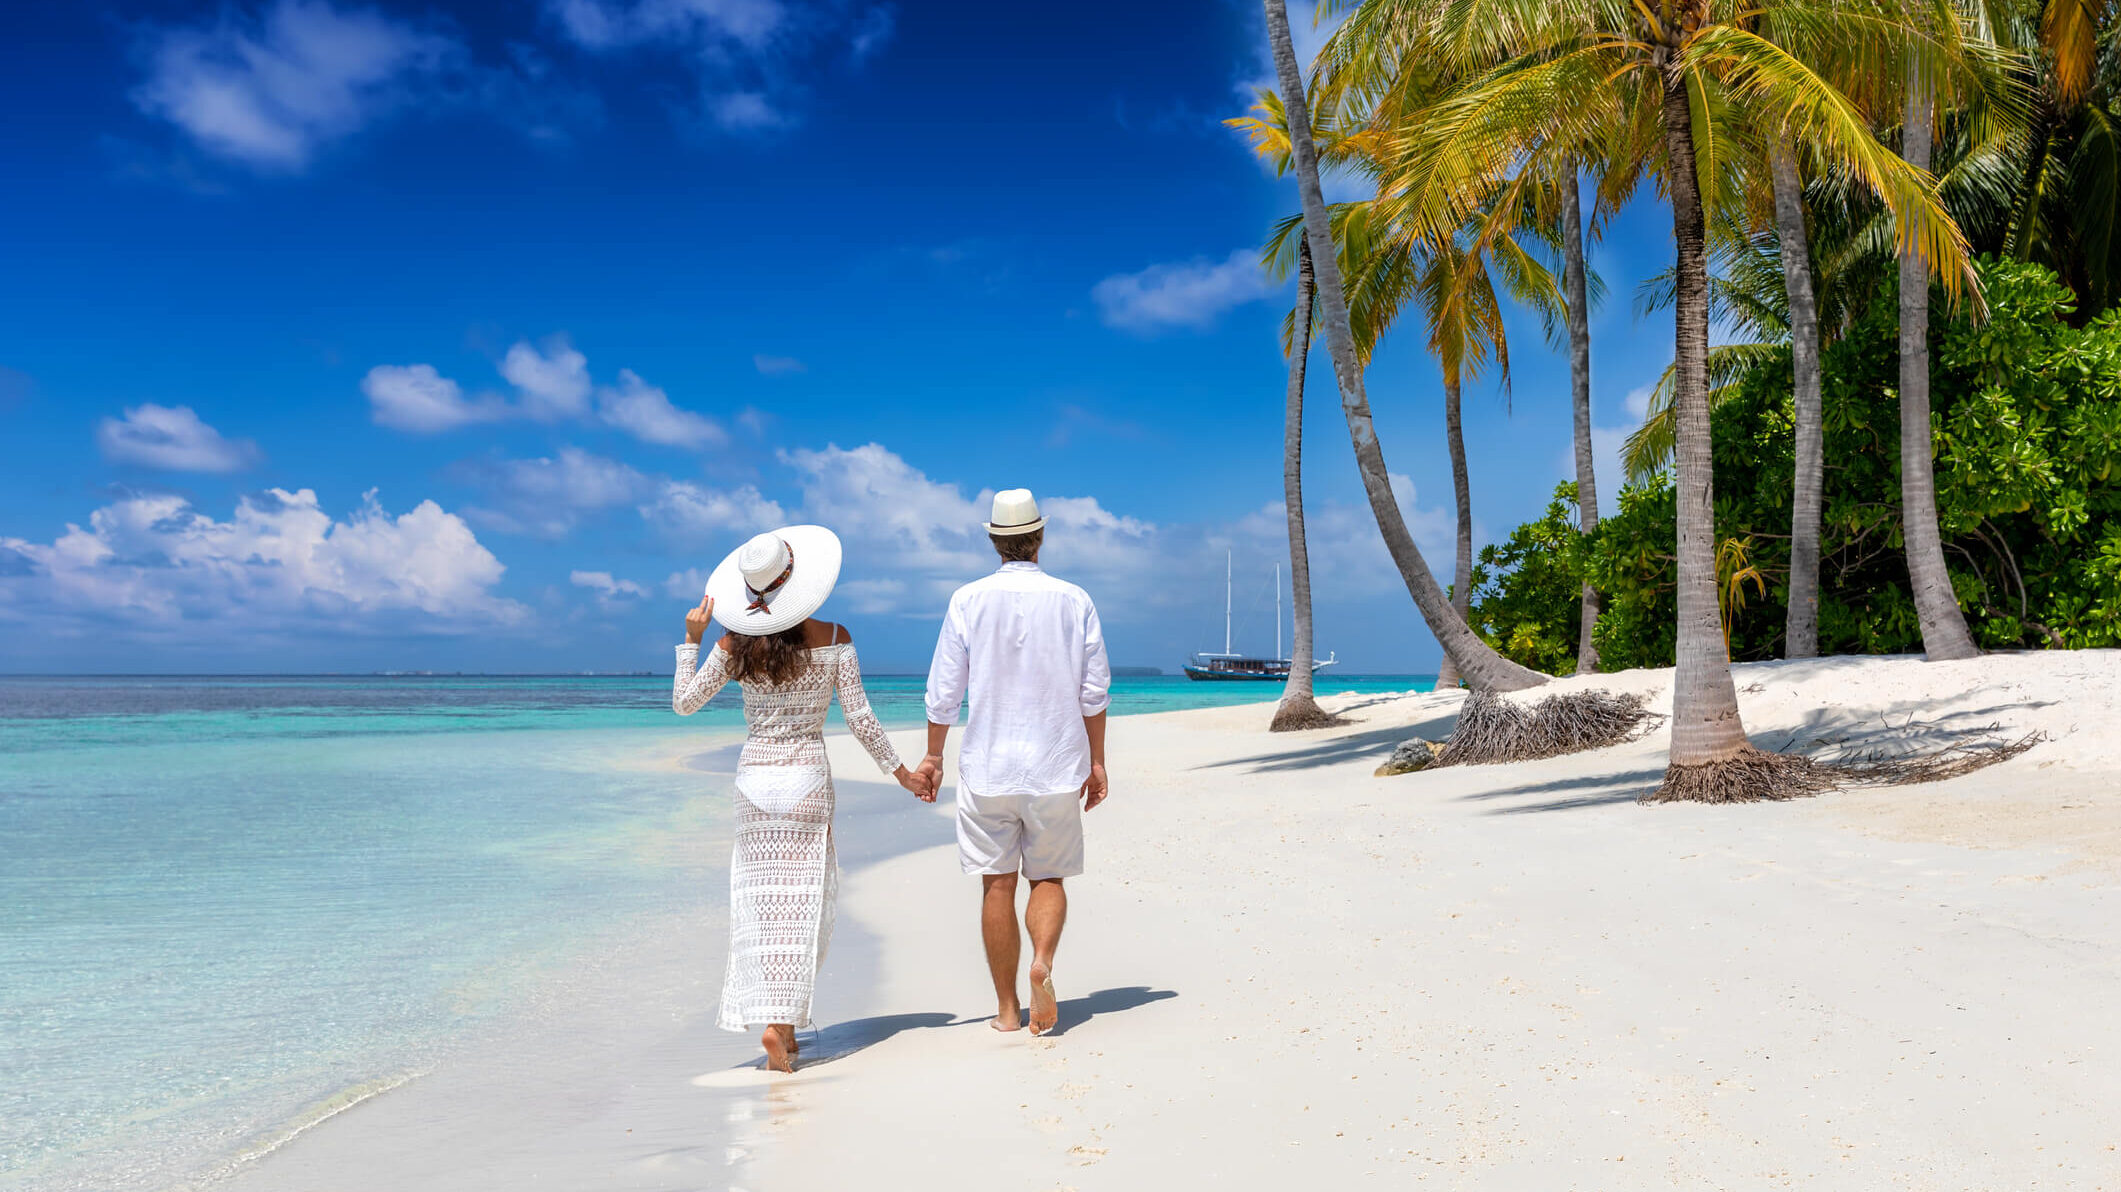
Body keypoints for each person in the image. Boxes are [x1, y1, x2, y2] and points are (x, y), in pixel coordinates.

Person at [673, 524, 934, 1073]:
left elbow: (684, 704)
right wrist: (905, 774)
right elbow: (860, 719)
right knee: (804, 906)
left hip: (753, 786)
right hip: (808, 783)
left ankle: (776, 1026)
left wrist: (691, 641)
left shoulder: (731, 644)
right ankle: (782, 1026)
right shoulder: (835, 636)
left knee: (761, 909)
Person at [920, 489, 1111, 1036]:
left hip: (988, 767)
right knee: (1048, 875)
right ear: (1040, 536)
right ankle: (1043, 962)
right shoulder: (1075, 600)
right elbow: (1093, 693)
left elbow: (944, 692)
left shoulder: (967, 600)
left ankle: (1006, 1011)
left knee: (996, 884)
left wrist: (934, 755)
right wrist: (1096, 763)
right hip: (1056, 763)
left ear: (993, 540)